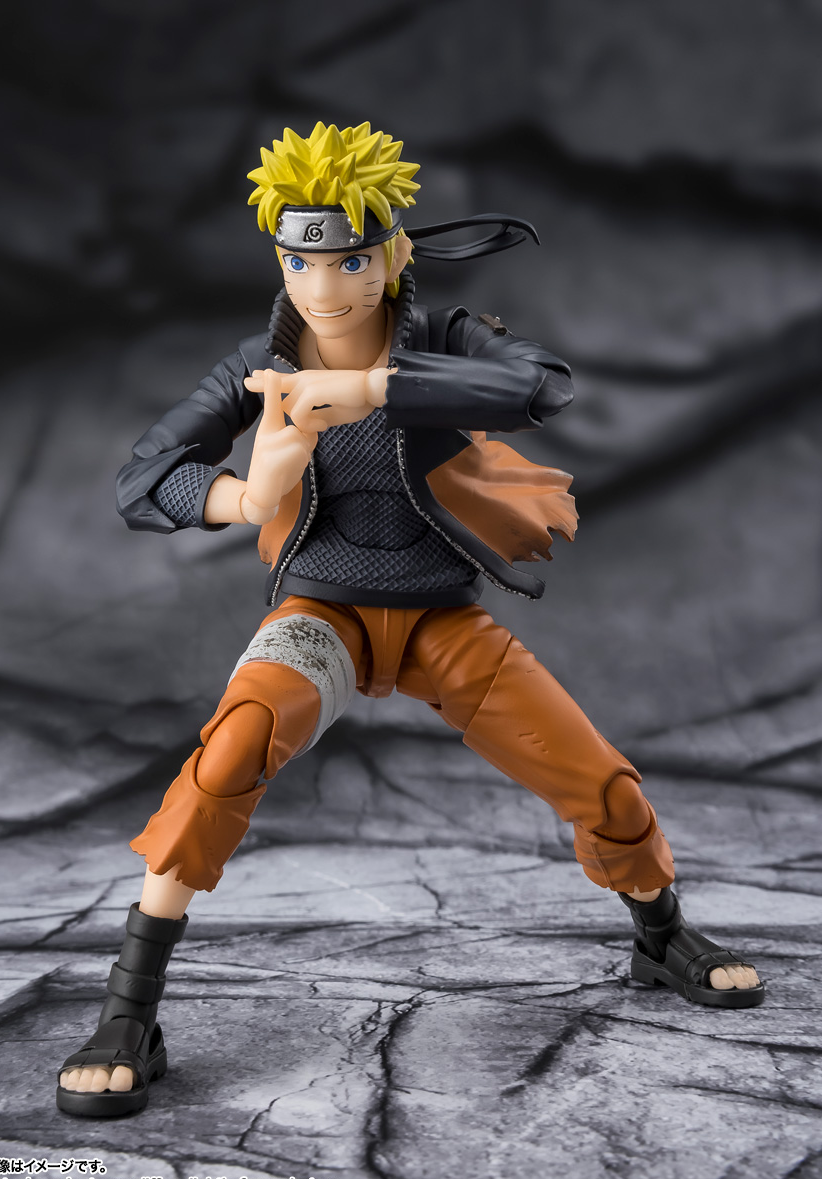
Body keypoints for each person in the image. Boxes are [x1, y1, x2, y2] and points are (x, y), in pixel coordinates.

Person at [57, 122, 763, 1118]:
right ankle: (131, 1009)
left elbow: (540, 385)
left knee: (596, 777)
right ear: (279, 260)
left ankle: (661, 934)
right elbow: (141, 478)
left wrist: (374, 388)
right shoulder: (259, 366)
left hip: (439, 622)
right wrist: (246, 495)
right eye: (301, 261)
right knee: (229, 753)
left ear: (392, 256)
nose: (324, 287)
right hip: (324, 617)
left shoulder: (443, 340)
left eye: (349, 260)